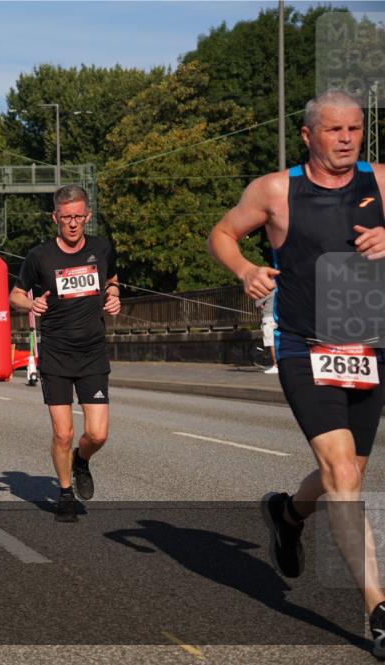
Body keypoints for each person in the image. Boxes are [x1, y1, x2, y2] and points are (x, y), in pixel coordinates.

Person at [208, 89, 385, 657]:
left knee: (347, 474)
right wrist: (244, 270)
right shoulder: (276, 190)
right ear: (308, 134)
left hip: (367, 349)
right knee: (340, 472)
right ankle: (378, 608)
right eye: (334, 130)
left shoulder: (380, 181)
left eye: (354, 130)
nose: (346, 140)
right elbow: (222, 233)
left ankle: (286, 514)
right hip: (305, 348)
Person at [9, 184, 121, 523]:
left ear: (87, 215)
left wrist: (114, 295)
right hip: (56, 354)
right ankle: (65, 493)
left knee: (97, 434)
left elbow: (112, 279)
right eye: (66, 217)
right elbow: (15, 294)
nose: (73, 224)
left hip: (92, 353)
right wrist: (31, 302)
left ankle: (81, 460)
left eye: (79, 217)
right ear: (54, 217)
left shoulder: (102, 248)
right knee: (62, 432)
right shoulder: (40, 256)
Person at [257, 289, 279, 374]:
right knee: (278, 341)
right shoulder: (279, 289)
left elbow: (257, 303)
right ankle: (279, 364)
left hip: (268, 318)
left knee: (271, 343)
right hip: (277, 317)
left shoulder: (267, 290)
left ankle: (276, 365)